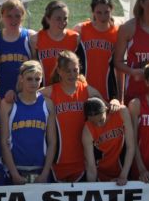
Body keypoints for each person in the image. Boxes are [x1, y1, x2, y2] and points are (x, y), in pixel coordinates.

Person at [40, 51, 113, 182]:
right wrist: (13, 95)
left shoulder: (87, 90)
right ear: (59, 71)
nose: (72, 74)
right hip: (57, 162)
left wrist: (116, 102)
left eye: (75, 70)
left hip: (82, 161)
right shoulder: (51, 92)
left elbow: (108, 109)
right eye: (68, 71)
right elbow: (27, 98)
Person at [0, 60, 56, 185]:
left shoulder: (48, 104)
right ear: (21, 79)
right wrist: (14, 173)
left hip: (40, 171)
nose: (34, 83)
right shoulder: (8, 104)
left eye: (37, 79)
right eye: (29, 79)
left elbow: (52, 142)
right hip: (14, 171)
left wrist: (45, 173)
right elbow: (4, 142)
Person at [73, 0, 119, 101]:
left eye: (106, 12)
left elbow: (119, 67)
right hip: (83, 87)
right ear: (92, 11)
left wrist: (120, 96)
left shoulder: (117, 32)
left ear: (112, 10)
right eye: (99, 12)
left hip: (107, 89)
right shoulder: (81, 29)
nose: (103, 17)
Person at [82, 97, 134, 184]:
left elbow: (130, 147)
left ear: (106, 109)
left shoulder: (121, 112)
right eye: (93, 122)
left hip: (123, 170)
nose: (98, 125)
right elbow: (91, 167)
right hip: (100, 175)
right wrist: (91, 187)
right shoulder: (87, 130)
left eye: (101, 120)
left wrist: (123, 175)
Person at [0, 0, 35, 98]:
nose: (13, 20)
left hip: (24, 96)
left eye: (17, 16)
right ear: (2, 16)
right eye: (9, 16)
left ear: (23, 17)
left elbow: (36, 68)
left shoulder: (30, 37)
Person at [36, 0, 82, 86]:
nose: (63, 22)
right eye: (58, 19)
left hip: (67, 91)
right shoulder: (36, 38)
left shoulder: (75, 38)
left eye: (65, 18)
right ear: (47, 19)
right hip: (44, 91)